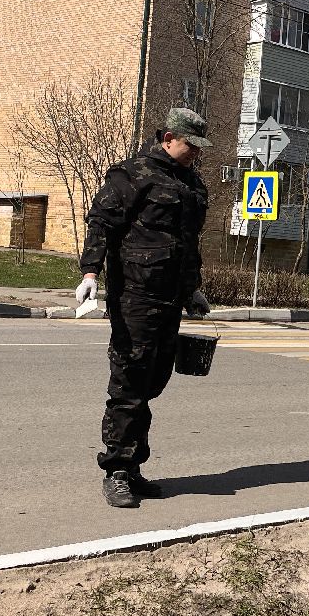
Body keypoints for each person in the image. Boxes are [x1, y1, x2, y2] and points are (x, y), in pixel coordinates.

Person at [75, 107, 213, 508]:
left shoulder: (192, 183)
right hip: (135, 295)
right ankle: (116, 470)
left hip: (170, 298)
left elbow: (188, 243)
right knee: (129, 383)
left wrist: (192, 290)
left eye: (199, 147)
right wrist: (90, 273)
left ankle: (133, 466)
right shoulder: (131, 174)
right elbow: (101, 223)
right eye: (190, 145)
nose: (195, 153)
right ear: (168, 138)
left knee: (153, 383)